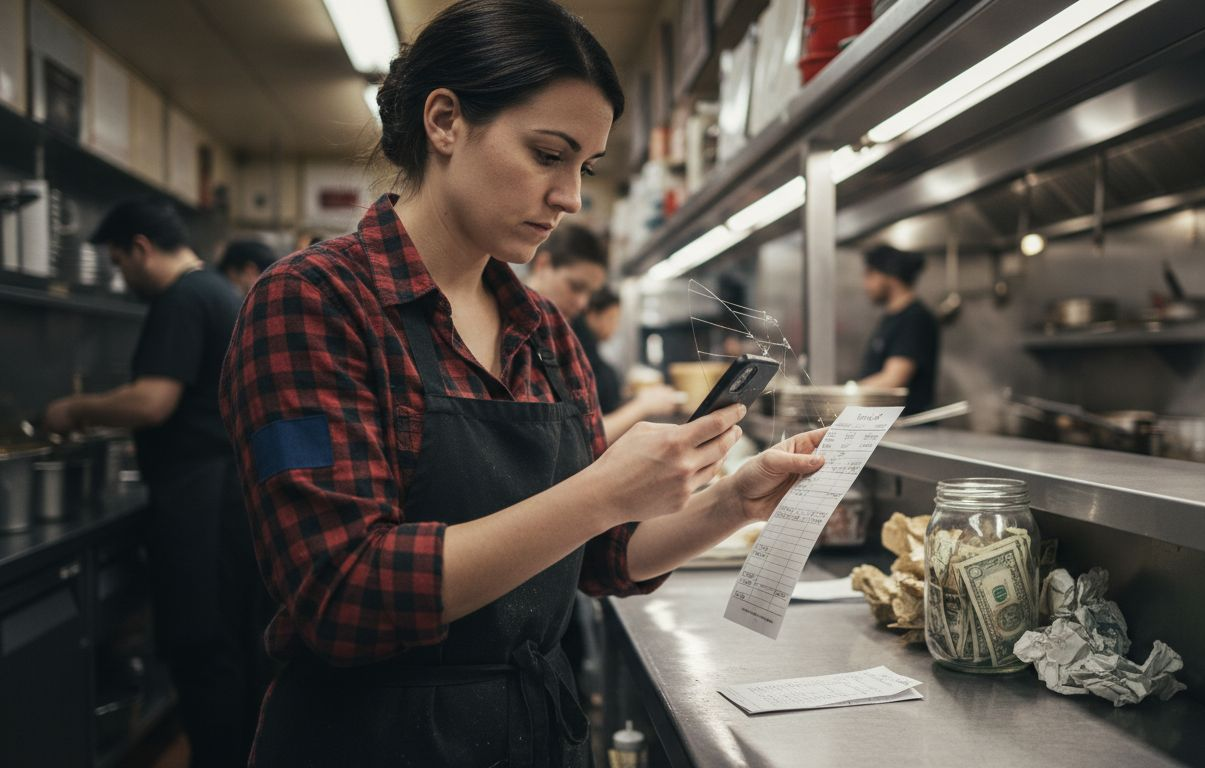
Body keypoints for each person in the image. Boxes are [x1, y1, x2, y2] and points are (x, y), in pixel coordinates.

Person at [219, 2, 826, 765]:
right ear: (445, 122)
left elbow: (601, 555)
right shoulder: (314, 302)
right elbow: (345, 592)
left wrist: (730, 504)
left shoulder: (539, 331)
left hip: (530, 735)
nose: (571, 196)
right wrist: (603, 488)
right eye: (548, 154)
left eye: (585, 168)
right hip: (369, 739)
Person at [42, 199, 270, 768]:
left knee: (204, 653)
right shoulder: (218, 292)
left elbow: (153, 400)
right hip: (230, 501)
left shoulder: (183, 298)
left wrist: (75, 409)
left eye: (119, 263)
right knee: (235, 656)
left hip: (202, 505)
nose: (122, 277)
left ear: (140, 248)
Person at [528, 224, 681, 440]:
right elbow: (569, 441)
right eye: (575, 286)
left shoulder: (560, 334)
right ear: (542, 265)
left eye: (589, 293)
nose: (583, 304)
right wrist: (641, 406)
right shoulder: (518, 334)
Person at [857, 244, 940, 415]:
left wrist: (846, 394)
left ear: (891, 276)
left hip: (909, 428)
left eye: (870, 274)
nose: (866, 284)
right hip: (886, 424)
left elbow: (893, 379)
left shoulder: (915, 319)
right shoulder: (891, 318)